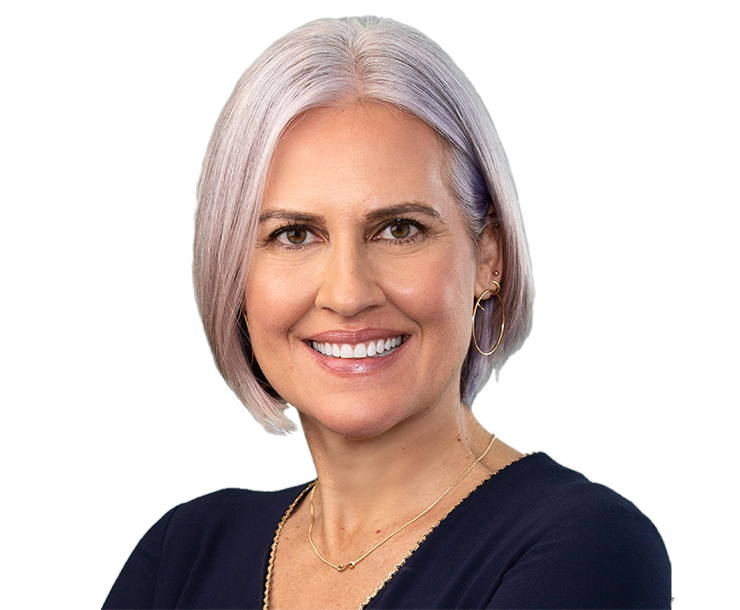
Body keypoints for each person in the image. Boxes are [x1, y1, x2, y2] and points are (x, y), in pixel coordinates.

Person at [103, 15, 673, 610]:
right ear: (233, 274)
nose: (348, 294)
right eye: (294, 235)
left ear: (489, 258)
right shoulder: (184, 552)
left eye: (399, 230)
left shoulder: (588, 549)